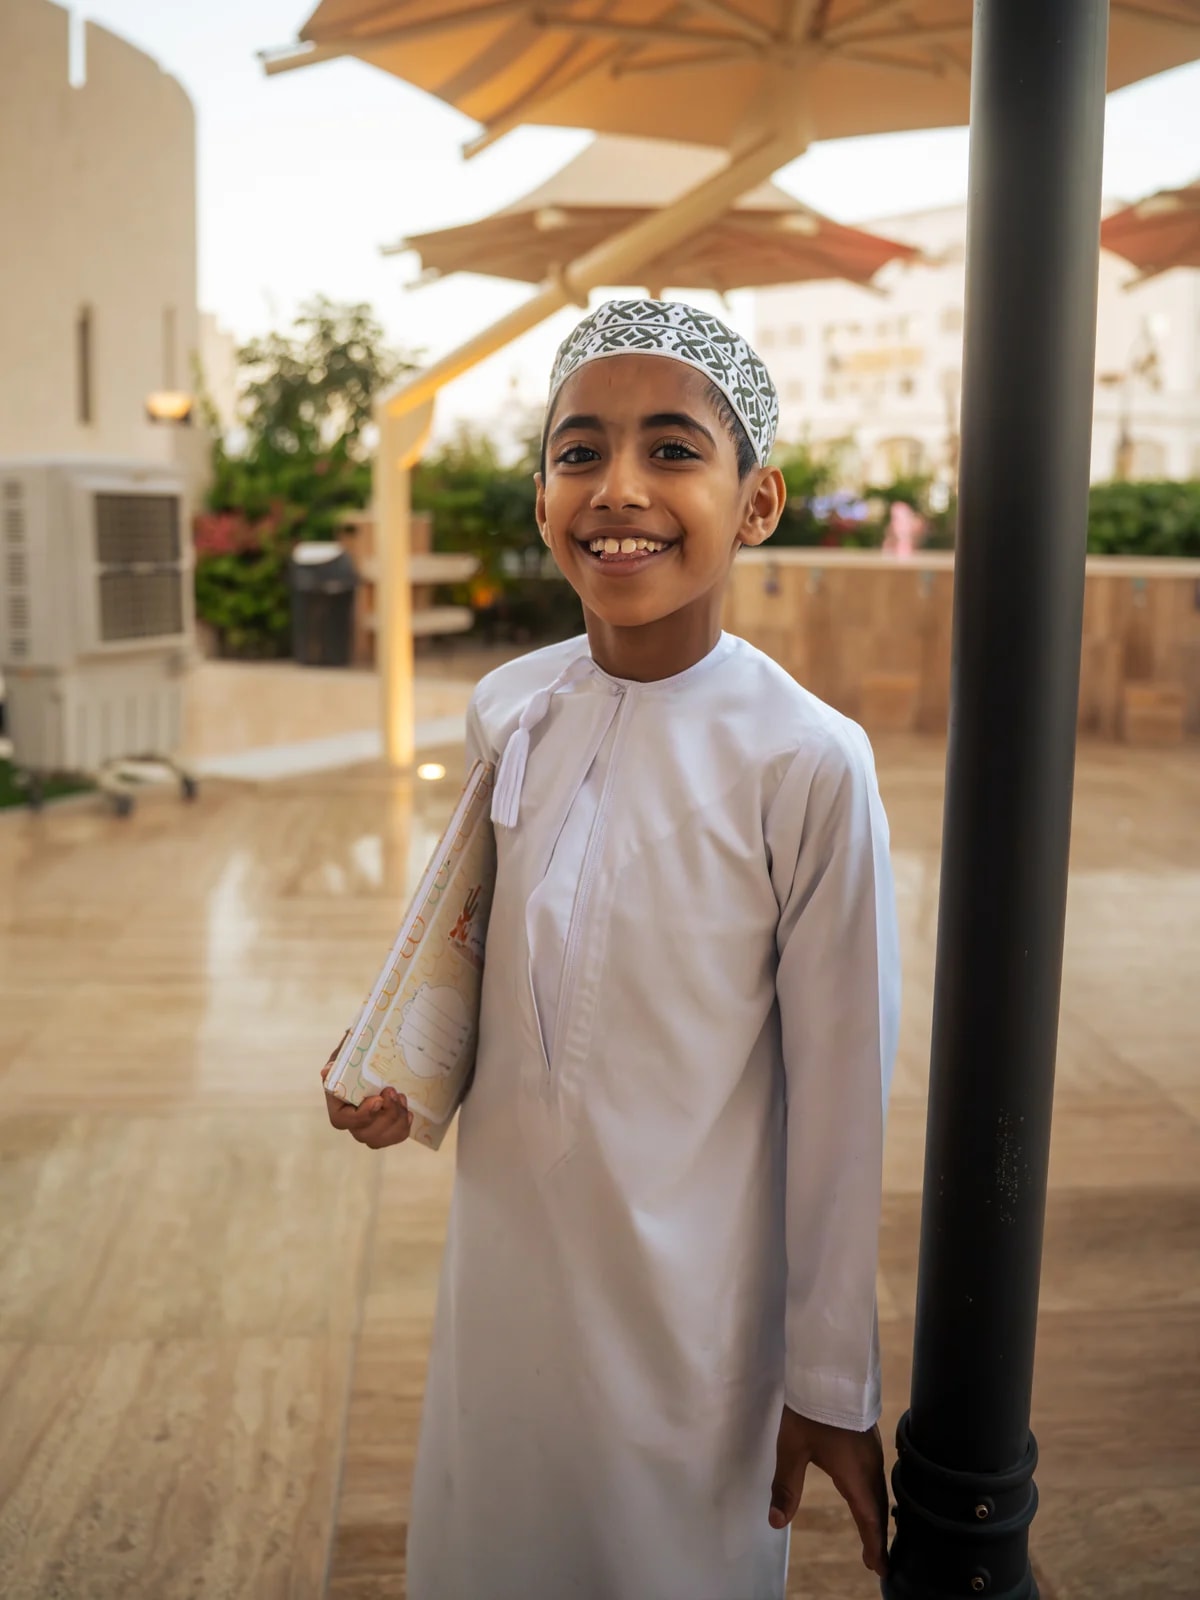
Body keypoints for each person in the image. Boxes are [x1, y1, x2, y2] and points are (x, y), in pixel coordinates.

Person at [323, 299, 901, 1600]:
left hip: (691, 1319)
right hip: (507, 1279)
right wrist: (404, 1064)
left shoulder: (805, 762)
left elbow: (842, 1098)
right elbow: (473, 943)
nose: (618, 490)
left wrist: (829, 1381)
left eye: (674, 451)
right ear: (540, 498)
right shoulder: (507, 707)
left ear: (758, 503)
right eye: (579, 452)